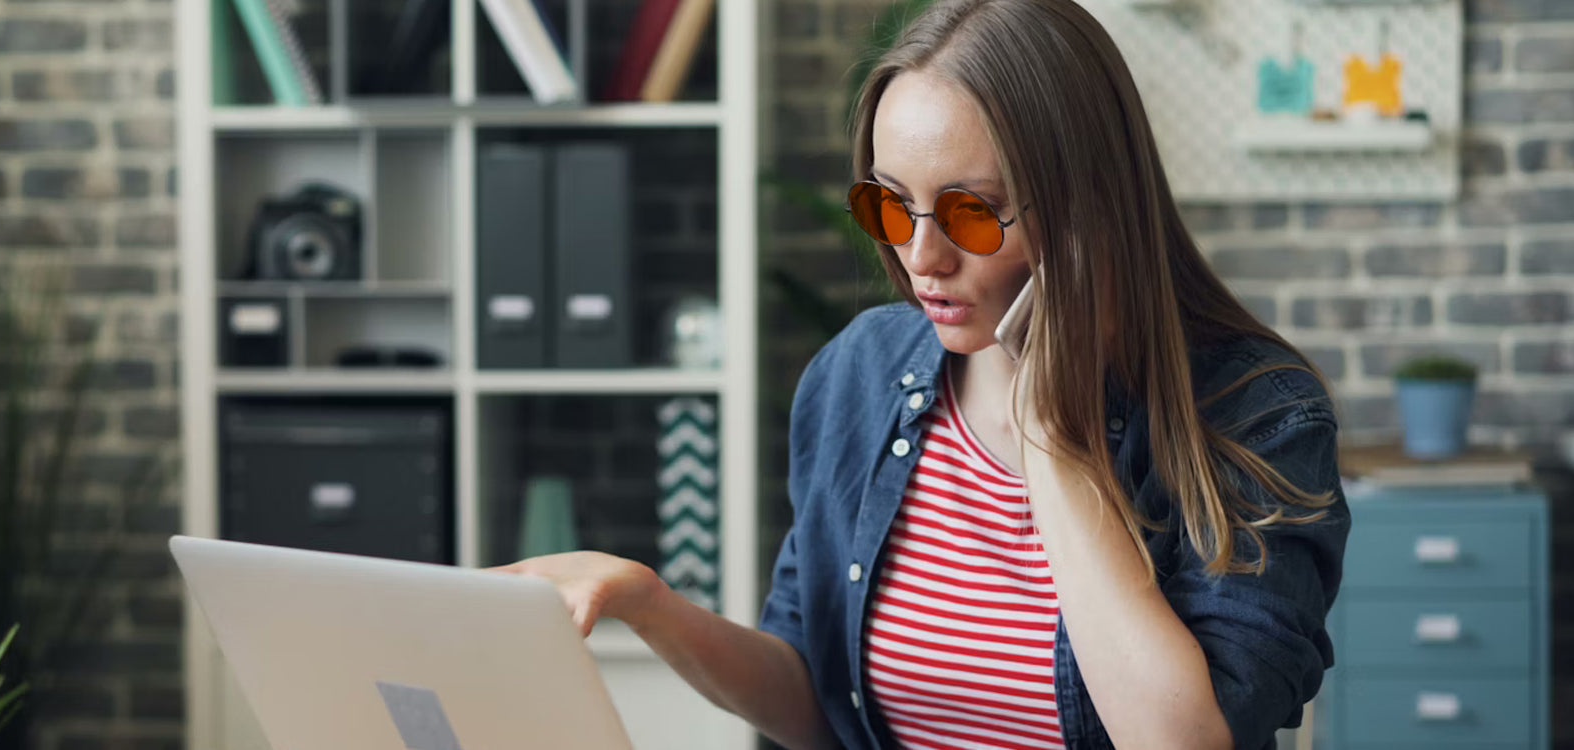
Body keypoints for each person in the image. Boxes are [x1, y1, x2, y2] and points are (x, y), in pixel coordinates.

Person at [495, 0, 1349, 747]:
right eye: (890, 204)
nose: (919, 256)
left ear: (1090, 209)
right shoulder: (861, 374)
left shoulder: (1253, 414)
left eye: (971, 213)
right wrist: (650, 603)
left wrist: (1051, 432)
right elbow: (816, 702)